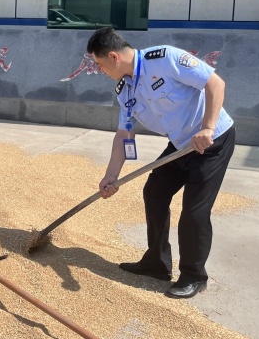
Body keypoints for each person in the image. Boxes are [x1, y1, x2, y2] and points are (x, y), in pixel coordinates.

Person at [86, 27, 235, 299]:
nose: (99, 70)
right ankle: (157, 263)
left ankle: (194, 276)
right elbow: (124, 134)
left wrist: (208, 128)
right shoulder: (125, 90)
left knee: (194, 211)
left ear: (113, 57)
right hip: (180, 145)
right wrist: (111, 176)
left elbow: (215, 84)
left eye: (99, 64)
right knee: (154, 192)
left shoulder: (165, 59)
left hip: (212, 141)